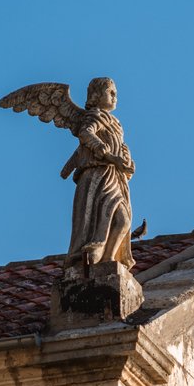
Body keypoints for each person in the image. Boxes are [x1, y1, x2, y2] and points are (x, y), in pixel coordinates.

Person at [60, 77, 135, 266]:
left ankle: (109, 258)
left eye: (115, 93)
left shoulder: (116, 123)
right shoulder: (95, 116)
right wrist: (108, 155)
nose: (115, 96)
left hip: (115, 178)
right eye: (110, 92)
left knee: (123, 221)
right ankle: (96, 254)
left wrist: (126, 161)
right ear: (95, 95)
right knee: (106, 218)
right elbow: (86, 133)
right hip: (99, 176)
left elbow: (118, 146)